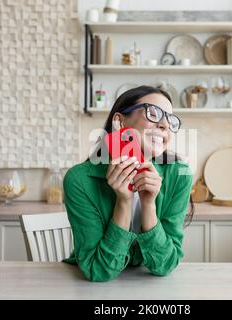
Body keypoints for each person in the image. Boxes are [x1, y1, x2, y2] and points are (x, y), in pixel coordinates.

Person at [63, 85, 194, 282]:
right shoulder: (79, 180)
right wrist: (123, 202)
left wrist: (149, 204)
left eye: (170, 120)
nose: (165, 125)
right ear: (120, 121)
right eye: (154, 113)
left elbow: (166, 264)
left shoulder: (179, 175)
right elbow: (98, 271)